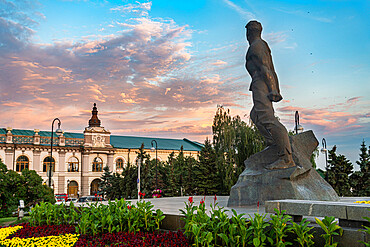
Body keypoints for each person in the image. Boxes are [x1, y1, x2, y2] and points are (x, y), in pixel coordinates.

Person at [245, 20, 295, 169]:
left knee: (267, 118)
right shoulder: (261, 45)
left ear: (249, 33)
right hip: (261, 83)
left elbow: (265, 68)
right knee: (256, 115)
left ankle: (286, 158)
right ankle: (273, 143)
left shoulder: (256, 46)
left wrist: (274, 89)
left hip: (261, 83)